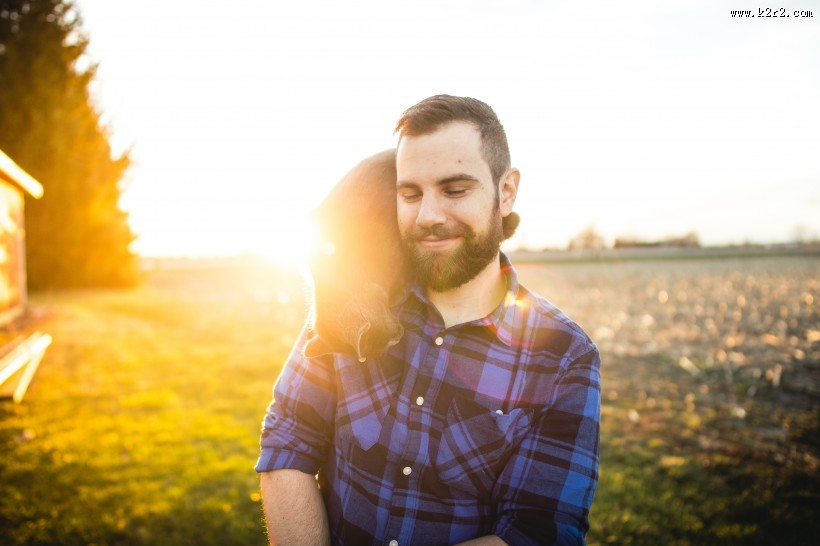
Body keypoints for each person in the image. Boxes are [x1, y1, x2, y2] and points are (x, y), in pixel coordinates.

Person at [256, 95, 601, 546]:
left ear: (507, 191)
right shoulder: (354, 310)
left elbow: (536, 533)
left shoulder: (563, 357)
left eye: (455, 190)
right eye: (411, 193)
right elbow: (288, 440)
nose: (429, 216)